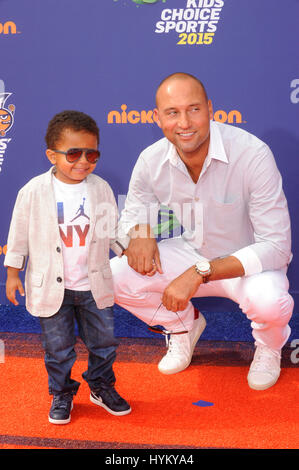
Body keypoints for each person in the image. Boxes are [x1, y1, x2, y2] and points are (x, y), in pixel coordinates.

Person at [111, 72, 293, 391]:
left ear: (210, 109)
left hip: (249, 264)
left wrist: (198, 272)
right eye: (172, 112)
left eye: (193, 109)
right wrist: (138, 232)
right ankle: (183, 327)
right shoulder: (151, 160)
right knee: (111, 275)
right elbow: (132, 214)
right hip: (195, 252)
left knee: (269, 302)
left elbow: (276, 247)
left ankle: (269, 347)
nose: (185, 122)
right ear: (157, 118)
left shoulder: (252, 154)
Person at [4, 110, 131, 424]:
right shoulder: (33, 191)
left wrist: (132, 250)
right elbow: (18, 236)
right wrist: (12, 274)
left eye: (92, 154)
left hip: (93, 285)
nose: (83, 161)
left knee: (104, 343)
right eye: (73, 153)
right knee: (58, 349)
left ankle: (101, 386)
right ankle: (61, 392)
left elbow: (112, 231)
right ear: (52, 154)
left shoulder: (101, 189)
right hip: (51, 287)